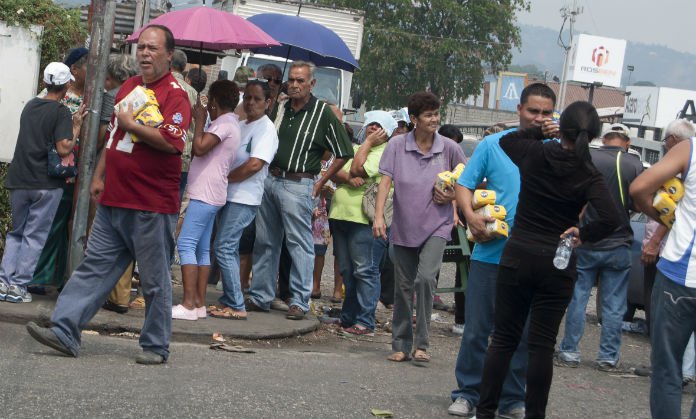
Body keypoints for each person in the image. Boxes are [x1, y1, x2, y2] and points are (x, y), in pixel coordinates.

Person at [26, 25, 191, 364]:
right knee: (93, 268)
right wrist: (98, 177)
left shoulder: (175, 94)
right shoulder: (129, 86)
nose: (144, 53)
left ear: (168, 55)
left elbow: (173, 143)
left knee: (155, 279)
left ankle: (156, 345)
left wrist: (133, 126)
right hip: (115, 198)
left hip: (151, 203)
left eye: (152, 48)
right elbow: (114, 139)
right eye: (141, 47)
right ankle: (65, 330)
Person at [474, 101, 620, 419]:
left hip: (518, 253)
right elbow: (612, 218)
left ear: (560, 127)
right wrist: (583, 232)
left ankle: (484, 412)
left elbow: (506, 141)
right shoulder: (589, 173)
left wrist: (540, 131)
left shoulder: (536, 153)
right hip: (558, 260)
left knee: (503, 339)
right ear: (593, 135)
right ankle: (534, 415)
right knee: (541, 345)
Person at [449, 83, 558, 418]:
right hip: (491, 252)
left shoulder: (558, 149)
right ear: (519, 110)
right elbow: (464, 184)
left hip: (536, 256)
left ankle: (512, 396)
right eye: (533, 111)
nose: (539, 118)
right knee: (478, 329)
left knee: (524, 333)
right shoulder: (493, 145)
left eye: (546, 113)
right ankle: (468, 391)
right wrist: (469, 216)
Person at [244, 61, 353, 320]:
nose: (294, 85)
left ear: (311, 84)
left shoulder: (322, 113)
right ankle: (261, 295)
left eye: (300, 81)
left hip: (298, 183)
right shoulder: (279, 107)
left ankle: (300, 301)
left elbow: (344, 150)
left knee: (299, 244)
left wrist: (320, 180)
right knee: (266, 241)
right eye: (291, 80)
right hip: (270, 179)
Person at [373, 92, 465, 362]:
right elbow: (385, 183)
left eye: (437, 113)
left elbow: (468, 181)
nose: (435, 119)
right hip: (403, 226)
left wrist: (451, 197)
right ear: (414, 119)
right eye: (428, 115)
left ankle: (422, 343)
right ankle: (401, 344)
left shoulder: (449, 147)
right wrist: (379, 216)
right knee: (402, 286)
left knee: (425, 279)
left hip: (438, 224)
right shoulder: (397, 146)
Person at [557, 123, 644, 371]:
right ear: (626, 142)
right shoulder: (633, 164)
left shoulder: (589, 158)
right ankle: (607, 357)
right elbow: (637, 205)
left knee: (578, 298)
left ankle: (570, 352)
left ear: (604, 138)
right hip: (619, 243)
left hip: (586, 239)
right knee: (614, 304)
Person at [0, 63, 83, 303]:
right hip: (45, 183)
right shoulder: (61, 112)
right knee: (34, 236)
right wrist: (76, 128)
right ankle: (18, 286)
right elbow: (64, 146)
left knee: (16, 232)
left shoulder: (30, 106)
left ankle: (4, 281)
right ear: (67, 84)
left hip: (19, 179)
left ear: (45, 83)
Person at [630, 122, 696, 419]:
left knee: (667, 369)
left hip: (680, 275)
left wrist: (668, 219)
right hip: (679, 274)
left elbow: (639, 188)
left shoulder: (689, 148)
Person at [208, 80, 278, 320]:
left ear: (268, 103)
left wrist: (224, 178)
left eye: (257, 99)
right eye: (247, 97)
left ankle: (236, 303)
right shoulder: (244, 123)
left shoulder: (266, 129)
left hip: (245, 197)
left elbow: (255, 164)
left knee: (225, 246)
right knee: (224, 246)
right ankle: (230, 299)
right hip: (229, 193)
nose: (250, 103)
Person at [172, 80, 241, 321]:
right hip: (210, 192)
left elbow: (199, 148)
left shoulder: (225, 124)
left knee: (186, 244)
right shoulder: (227, 123)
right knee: (201, 249)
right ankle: (199, 303)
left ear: (213, 101)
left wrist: (199, 120)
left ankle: (188, 303)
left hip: (206, 193)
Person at [330, 111, 398, 336]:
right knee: (347, 271)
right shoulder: (356, 148)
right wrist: (348, 177)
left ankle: (365, 321)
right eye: (370, 125)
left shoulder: (384, 152)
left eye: (379, 126)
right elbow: (334, 172)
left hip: (364, 220)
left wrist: (367, 144)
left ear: (387, 131)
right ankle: (348, 317)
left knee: (365, 270)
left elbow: (358, 169)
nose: (373, 129)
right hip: (341, 215)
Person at [31, 47, 89, 290]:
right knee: (49, 221)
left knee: (65, 222)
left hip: (74, 169)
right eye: (88, 66)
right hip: (55, 166)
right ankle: (38, 276)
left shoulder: (90, 97)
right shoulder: (54, 95)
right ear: (74, 69)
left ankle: (55, 275)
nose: (92, 71)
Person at [639, 119, 695, 336]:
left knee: (660, 309)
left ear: (672, 140)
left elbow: (674, 212)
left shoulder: (681, 165)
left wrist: (653, 243)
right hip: (675, 252)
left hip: (670, 252)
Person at [171, 49, 199, 200]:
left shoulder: (162, 85)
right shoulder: (194, 93)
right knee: (175, 204)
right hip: (184, 157)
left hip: (161, 152)